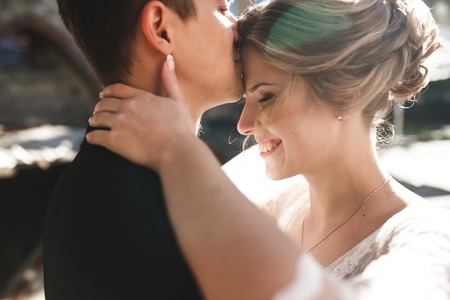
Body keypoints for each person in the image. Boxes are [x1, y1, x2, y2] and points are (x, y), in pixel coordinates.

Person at [88, 0, 450, 299]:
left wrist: (178, 150)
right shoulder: (260, 188)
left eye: (267, 96)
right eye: (247, 98)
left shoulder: (424, 237)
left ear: (347, 90)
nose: (243, 124)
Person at [43, 0, 244, 299]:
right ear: (160, 29)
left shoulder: (85, 182)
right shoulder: (153, 214)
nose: (238, 27)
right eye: (222, 9)